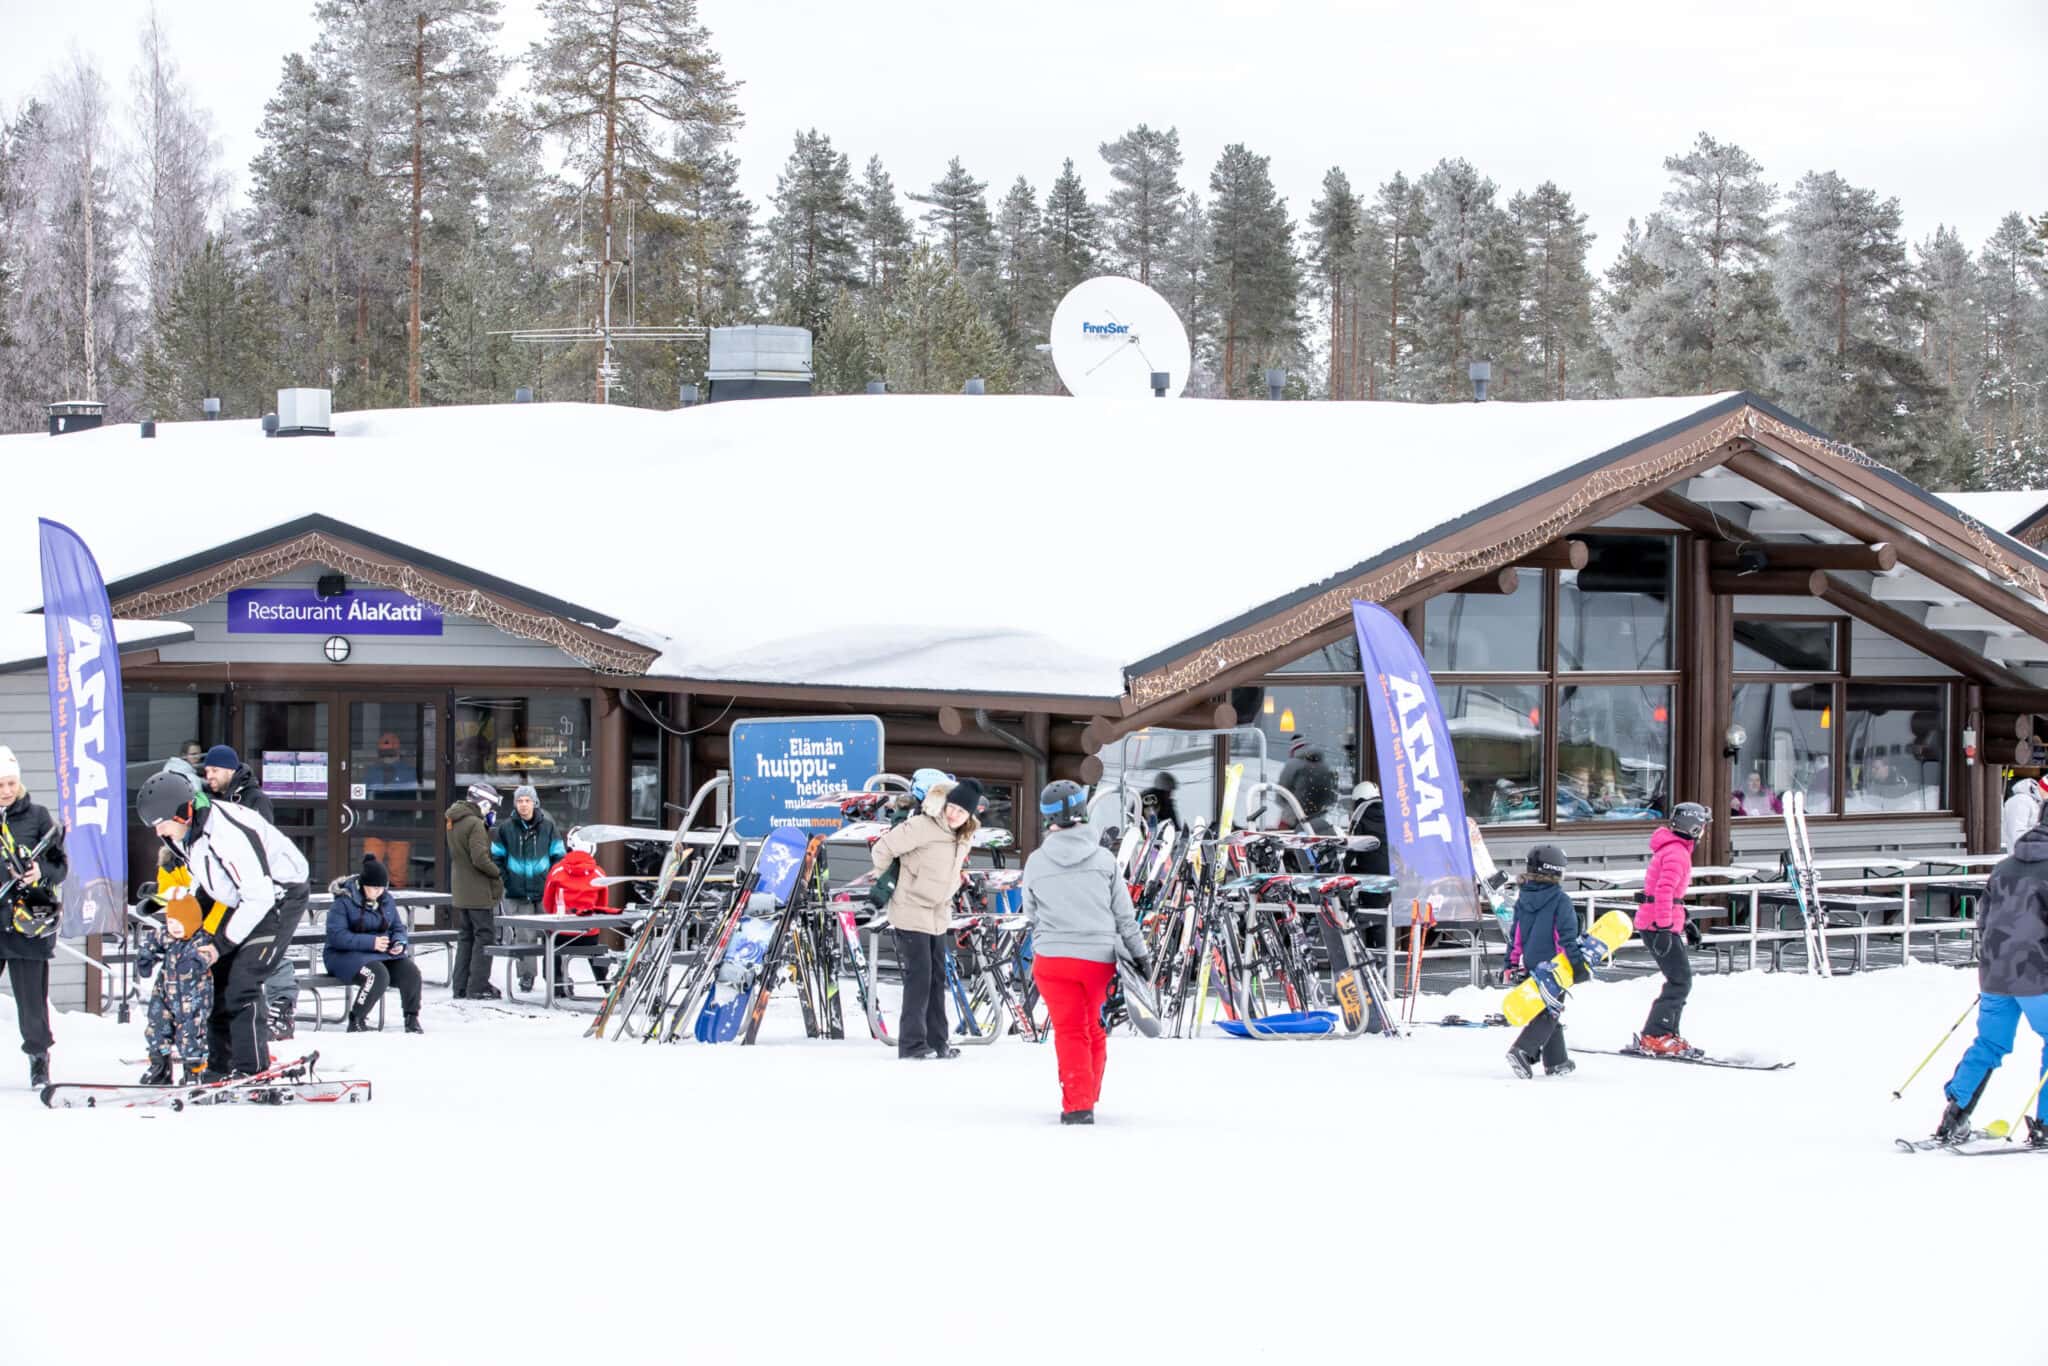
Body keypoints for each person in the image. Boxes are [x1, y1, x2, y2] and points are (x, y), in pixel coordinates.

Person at [137, 770, 309, 1078]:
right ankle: (218, 1065)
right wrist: (172, 908)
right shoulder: (184, 834)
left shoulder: (226, 834)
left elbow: (258, 896)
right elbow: (210, 884)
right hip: (240, 899)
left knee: (243, 982)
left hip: (278, 897)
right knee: (212, 977)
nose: (158, 832)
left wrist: (219, 945)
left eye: (160, 823)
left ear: (182, 812)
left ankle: (251, 1069)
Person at [1023, 779, 1148, 1125]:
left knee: (1070, 1029)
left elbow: (1030, 911)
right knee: (1091, 1023)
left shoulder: (1035, 861)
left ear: (1048, 818)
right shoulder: (1105, 859)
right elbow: (1125, 915)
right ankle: (1088, 1092)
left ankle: (1079, 1105)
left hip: (1052, 960)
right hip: (1098, 961)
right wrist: (1141, 956)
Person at [1929, 817, 2048, 1148]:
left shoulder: (2004, 867)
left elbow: (1984, 920)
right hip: (2039, 975)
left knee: (1990, 1044)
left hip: (1995, 973)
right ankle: (2045, 1125)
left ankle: (1955, 1115)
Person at [869, 777, 980, 1059]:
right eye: (952, 807)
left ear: (969, 816)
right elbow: (882, 849)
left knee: (936, 977)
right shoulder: (922, 826)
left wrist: (954, 885)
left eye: (962, 811)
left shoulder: (964, 837)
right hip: (910, 908)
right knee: (920, 976)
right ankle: (912, 1044)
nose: (954, 814)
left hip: (938, 912)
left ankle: (938, 1042)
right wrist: (893, 884)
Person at [198, 743, 297, 1038]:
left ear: (229, 769)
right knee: (235, 950)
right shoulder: (217, 800)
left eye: (214, 770)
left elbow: (261, 844)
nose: (209, 776)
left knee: (262, 950)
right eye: (206, 771)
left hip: (261, 889)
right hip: (231, 888)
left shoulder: (254, 799)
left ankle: (281, 1007)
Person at [0, 746, 68, 1087]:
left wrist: (39, 871)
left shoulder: (39, 817)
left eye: (12, 782)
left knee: (31, 1004)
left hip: (27, 923)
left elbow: (61, 867)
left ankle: (39, 1060)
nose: (8, 791)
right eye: (0, 784)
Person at [1634, 802, 1711, 1057]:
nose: (1703, 832)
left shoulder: (1673, 850)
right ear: (1694, 827)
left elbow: (1672, 895)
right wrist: (1666, 928)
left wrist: (1685, 923)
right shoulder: (1677, 853)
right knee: (1680, 981)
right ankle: (1657, 1035)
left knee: (1680, 980)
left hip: (1659, 922)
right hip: (1658, 924)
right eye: (1702, 827)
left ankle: (1667, 1033)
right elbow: (1664, 892)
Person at [1506, 845, 1588, 1080]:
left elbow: (1516, 936)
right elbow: (1567, 938)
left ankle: (1557, 1061)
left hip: (1532, 963)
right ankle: (1522, 1049)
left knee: (1547, 1009)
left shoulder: (1524, 898)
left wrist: (1510, 963)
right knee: (1549, 1012)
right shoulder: (1560, 901)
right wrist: (1577, 966)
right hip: (1555, 967)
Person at [324, 855, 423, 1034]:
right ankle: (357, 1019)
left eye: (381, 888)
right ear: (363, 885)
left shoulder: (386, 900)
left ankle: (411, 1018)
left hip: (378, 954)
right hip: (342, 956)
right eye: (373, 888)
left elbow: (397, 928)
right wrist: (372, 942)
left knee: (411, 972)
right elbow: (337, 936)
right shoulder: (343, 903)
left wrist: (398, 942)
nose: (378, 892)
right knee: (377, 975)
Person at [136, 866, 213, 1083]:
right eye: (170, 922)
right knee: (156, 1026)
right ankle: (159, 1066)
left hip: (193, 996)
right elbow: (153, 942)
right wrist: (145, 958)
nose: (174, 928)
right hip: (165, 991)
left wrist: (196, 962)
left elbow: (208, 955)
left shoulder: (201, 939)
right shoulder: (167, 935)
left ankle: (194, 1070)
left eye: (178, 924)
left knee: (191, 1033)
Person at [492, 784, 565, 994]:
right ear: (515, 804)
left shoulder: (549, 827)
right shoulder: (505, 828)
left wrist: (551, 879)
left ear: (535, 803)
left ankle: (555, 977)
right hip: (518, 893)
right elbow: (496, 857)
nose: (523, 805)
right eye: (519, 801)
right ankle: (526, 976)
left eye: (527, 800)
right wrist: (508, 880)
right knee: (525, 937)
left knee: (554, 935)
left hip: (545, 892)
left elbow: (559, 856)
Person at [447, 783, 505, 1000]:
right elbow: (480, 858)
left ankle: (460, 986)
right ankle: (478, 985)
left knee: (466, 938)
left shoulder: (455, 820)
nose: (491, 811)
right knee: (484, 936)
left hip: (461, 889)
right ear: (482, 802)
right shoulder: (475, 824)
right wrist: (497, 872)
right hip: (478, 890)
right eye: (489, 806)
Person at [539, 837, 612, 998]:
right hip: (588, 934)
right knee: (595, 947)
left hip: (560, 933)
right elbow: (602, 905)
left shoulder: (557, 870)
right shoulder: (599, 873)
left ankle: (556, 982)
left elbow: (547, 901)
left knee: (550, 945)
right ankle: (605, 980)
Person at [2001, 776, 2047, 853]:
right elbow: (2017, 835)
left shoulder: (2038, 803)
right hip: (2023, 858)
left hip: (2035, 856)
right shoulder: (2020, 801)